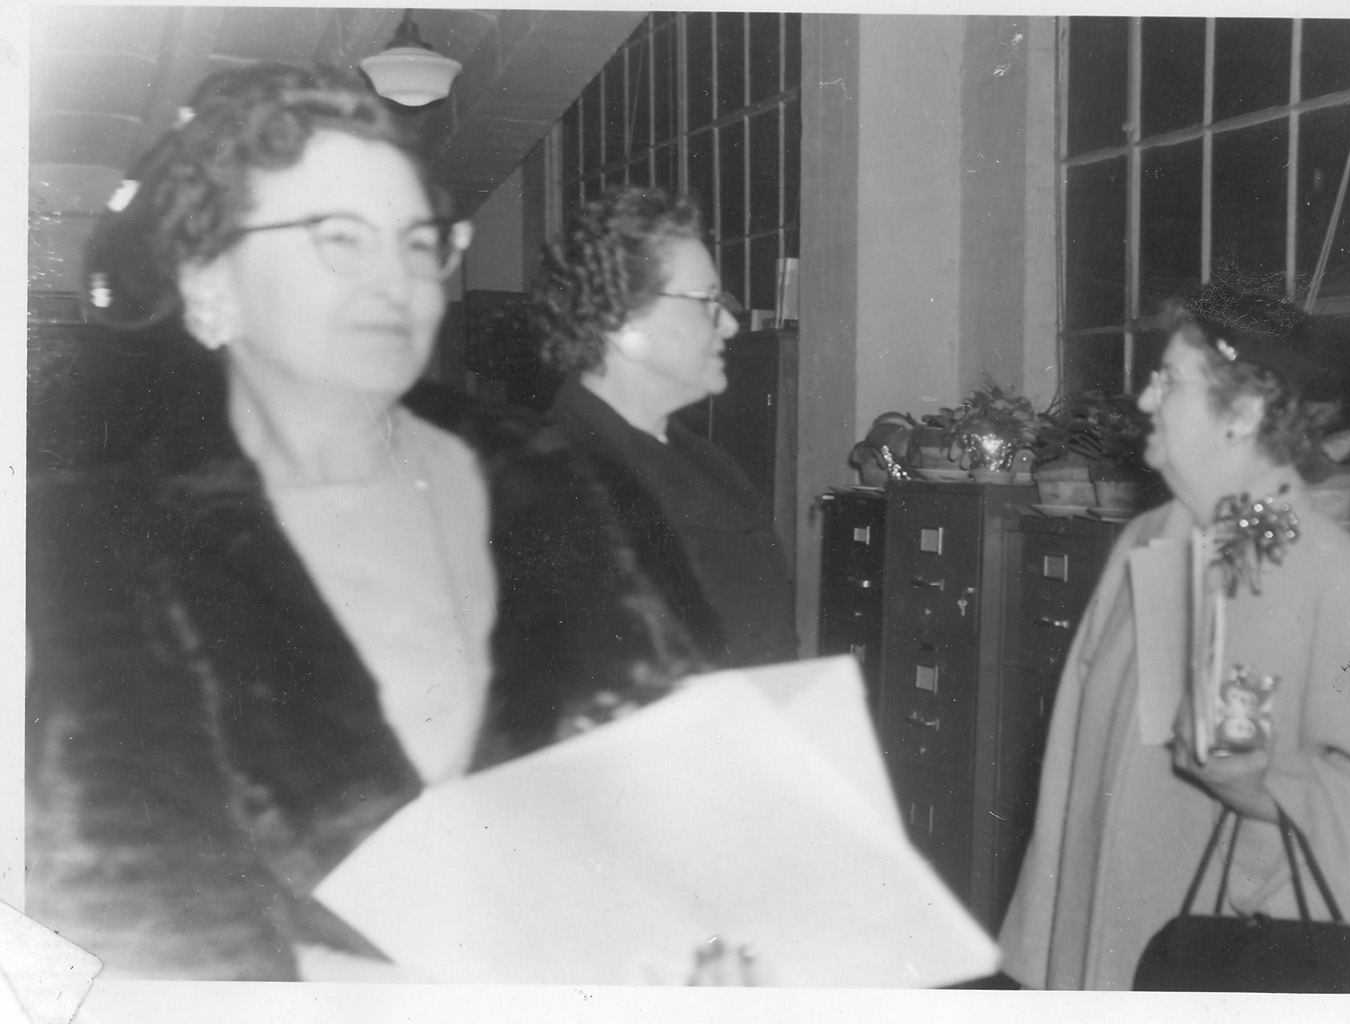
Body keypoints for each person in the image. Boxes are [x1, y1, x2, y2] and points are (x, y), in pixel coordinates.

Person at [24, 63, 705, 981]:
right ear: (213, 284)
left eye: (417, 241)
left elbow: (677, 760)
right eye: (340, 239)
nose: (397, 282)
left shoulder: (541, 482)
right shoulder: (99, 544)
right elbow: (127, 901)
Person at [998, 286, 1350, 992]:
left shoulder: (1340, 582)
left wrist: (1266, 787)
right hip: (1108, 968)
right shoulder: (1146, 547)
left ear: (1241, 413)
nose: (1145, 401)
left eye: (1169, 381)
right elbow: (1067, 791)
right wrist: (1038, 972)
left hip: (1239, 973)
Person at [531, 186, 798, 668]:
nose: (730, 325)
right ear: (621, 322)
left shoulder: (714, 466)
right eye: (707, 301)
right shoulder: (549, 482)